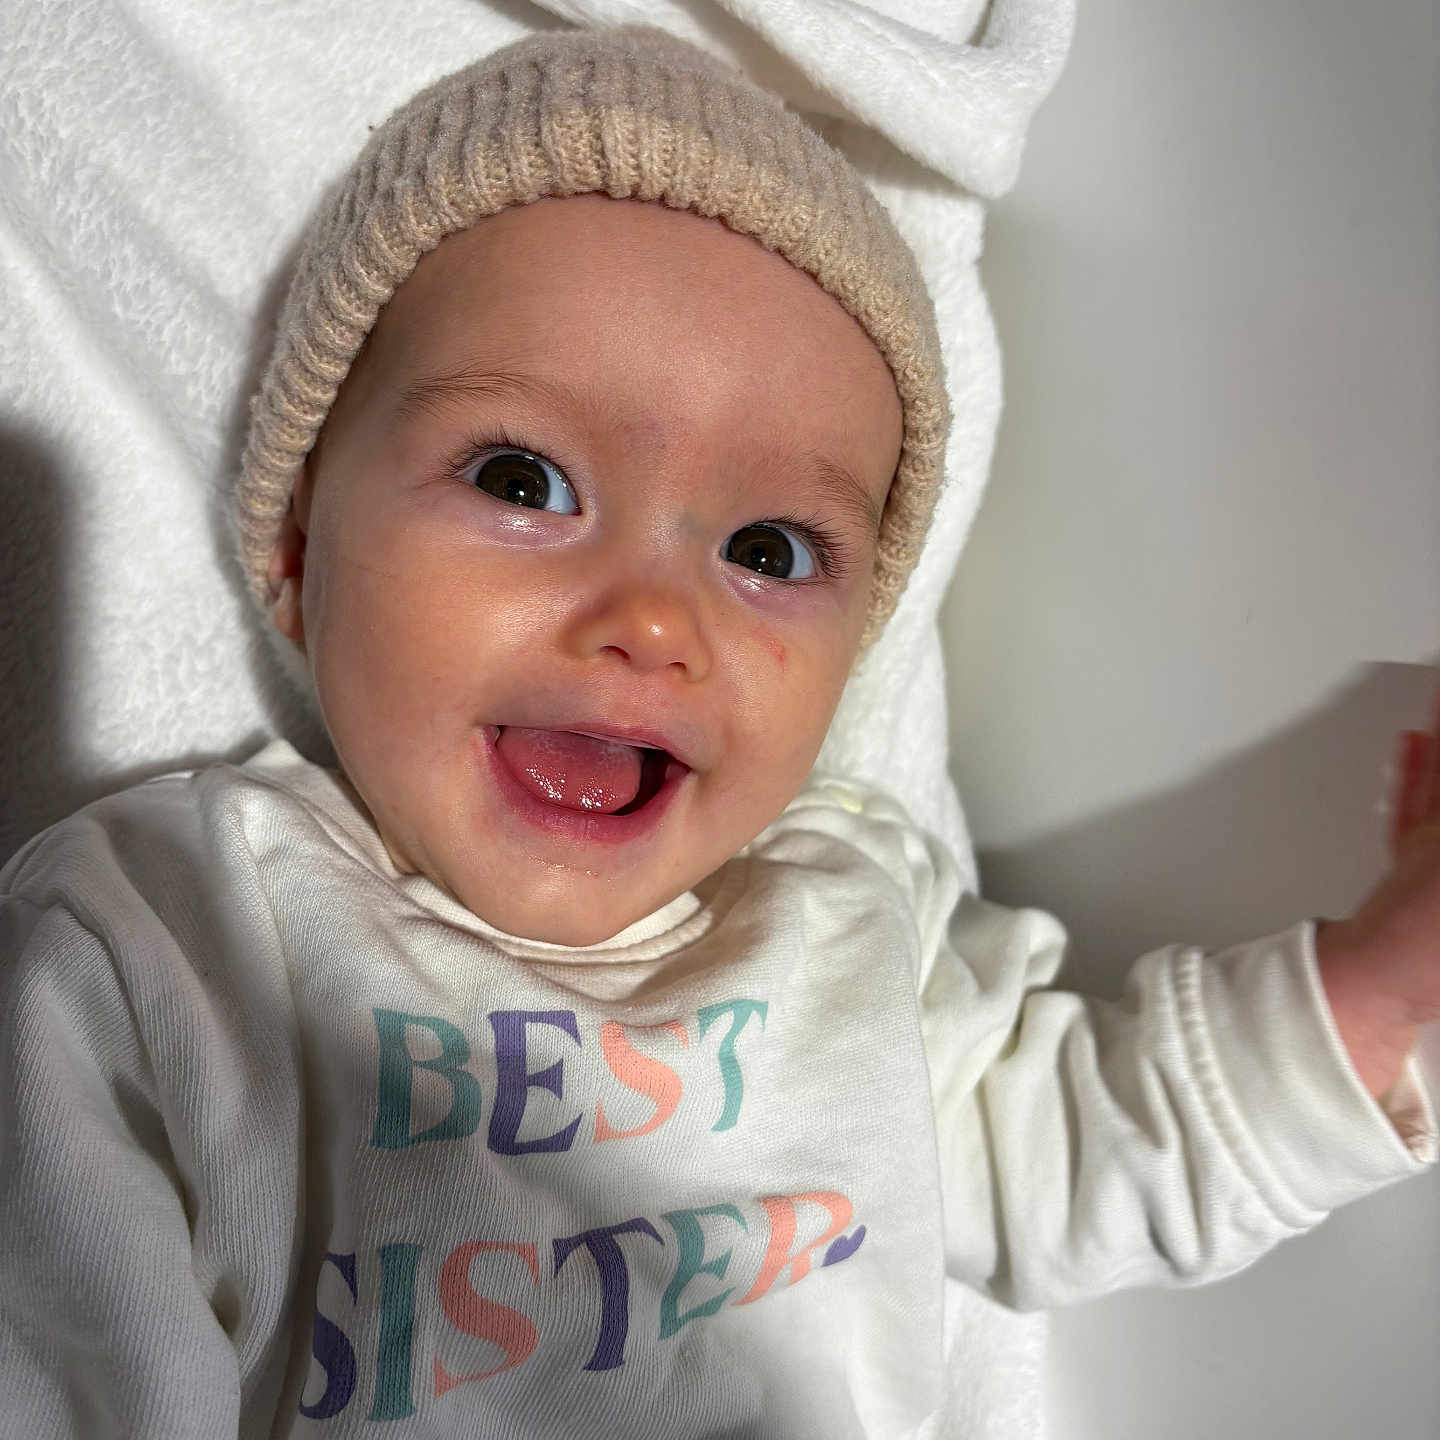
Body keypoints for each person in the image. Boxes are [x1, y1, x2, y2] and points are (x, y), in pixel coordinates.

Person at [1, 24, 1436, 1440]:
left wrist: (1381, 980)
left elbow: (1079, 1137)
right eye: (524, 478)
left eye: (768, 546)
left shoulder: (843, 929)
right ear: (304, 548)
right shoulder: (168, 941)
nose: (651, 616)